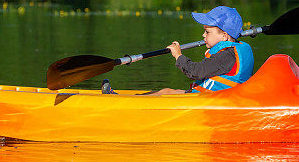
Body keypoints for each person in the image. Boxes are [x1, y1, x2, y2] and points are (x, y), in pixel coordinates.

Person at [102, 6, 254, 95]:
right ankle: (122, 99)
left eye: (208, 32)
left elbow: (196, 72)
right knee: (166, 91)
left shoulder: (226, 56)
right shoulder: (231, 52)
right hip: (208, 99)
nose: (203, 35)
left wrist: (178, 56)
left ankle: (120, 102)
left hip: (209, 104)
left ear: (224, 35)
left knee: (166, 93)